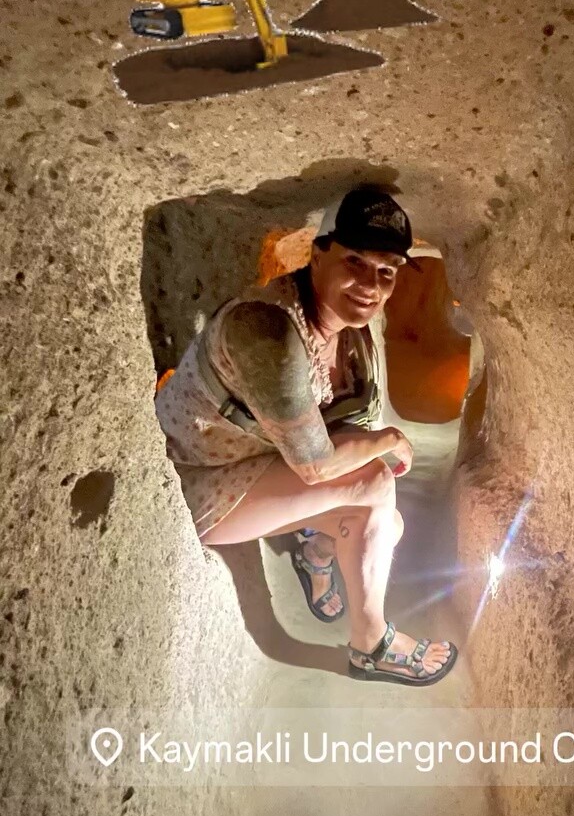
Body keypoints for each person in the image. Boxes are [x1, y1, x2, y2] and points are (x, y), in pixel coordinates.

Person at [154, 186, 458, 686]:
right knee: (375, 485)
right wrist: (389, 440)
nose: (371, 284)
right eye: (355, 261)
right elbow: (316, 466)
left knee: (387, 527)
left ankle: (315, 556)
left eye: (387, 271)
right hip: (193, 479)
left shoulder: (347, 331)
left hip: (253, 464)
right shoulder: (268, 331)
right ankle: (371, 646)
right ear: (317, 256)